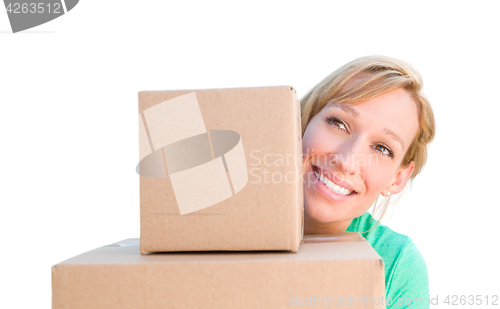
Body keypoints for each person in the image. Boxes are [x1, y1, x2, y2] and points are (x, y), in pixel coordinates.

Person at [300, 55, 435, 308]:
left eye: (382, 149)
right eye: (338, 123)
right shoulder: (219, 217)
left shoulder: (396, 265)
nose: (347, 161)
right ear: (300, 122)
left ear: (398, 178)